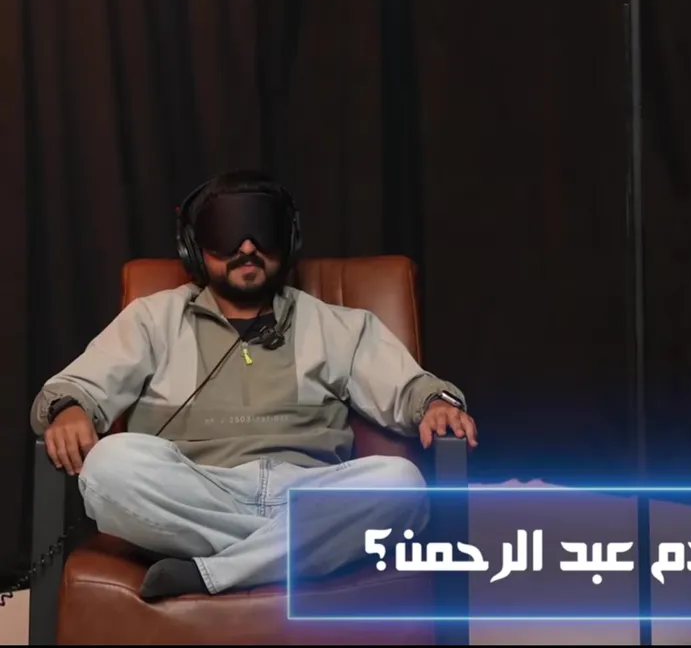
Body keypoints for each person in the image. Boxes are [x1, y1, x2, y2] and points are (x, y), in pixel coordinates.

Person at [30, 170, 478, 601]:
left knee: (401, 484)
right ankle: (290, 548)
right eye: (227, 232)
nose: (247, 247)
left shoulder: (336, 325)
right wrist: (70, 408)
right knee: (108, 466)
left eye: (261, 230)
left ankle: (212, 573)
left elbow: (410, 388)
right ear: (194, 247)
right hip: (196, 492)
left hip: (306, 491)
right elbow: (76, 387)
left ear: (288, 240)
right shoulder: (153, 318)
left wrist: (434, 403)